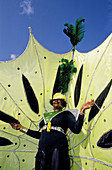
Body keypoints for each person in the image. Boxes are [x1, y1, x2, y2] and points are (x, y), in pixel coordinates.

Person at [10, 93, 94, 170]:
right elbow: (39, 135)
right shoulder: (45, 117)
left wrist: (82, 111)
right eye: (54, 100)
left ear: (63, 103)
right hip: (42, 148)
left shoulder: (66, 114)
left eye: (59, 100)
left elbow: (76, 129)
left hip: (57, 147)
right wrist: (21, 128)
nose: (56, 101)